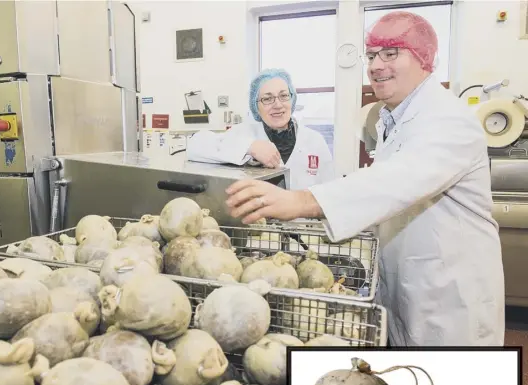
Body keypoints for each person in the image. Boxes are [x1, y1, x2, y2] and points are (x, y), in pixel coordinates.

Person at [224, 11, 505, 346]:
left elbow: (397, 181)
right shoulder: (395, 118)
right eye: (371, 55)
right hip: (409, 283)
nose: (375, 65)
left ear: (425, 59)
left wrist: (301, 201)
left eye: (391, 53)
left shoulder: (448, 118)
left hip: (448, 293)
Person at [186, 68, 336, 190]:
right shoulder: (244, 133)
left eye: (283, 96)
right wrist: (250, 146)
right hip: (259, 223)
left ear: (292, 99)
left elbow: (330, 192)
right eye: (267, 98)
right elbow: (195, 145)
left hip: (305, 224)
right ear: (256, 106)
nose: (277, 104)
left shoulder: (315, 141)